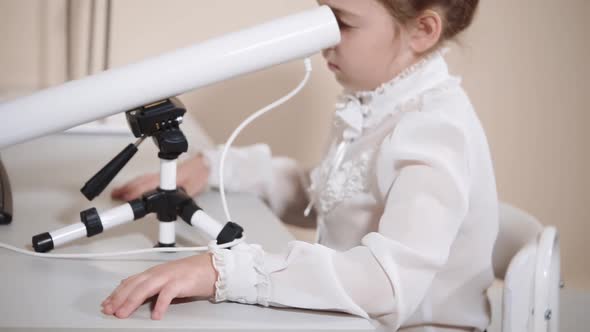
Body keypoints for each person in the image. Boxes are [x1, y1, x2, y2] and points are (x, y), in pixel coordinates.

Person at [102, 0, 498, 331]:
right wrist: (216, 166)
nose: (321, 37)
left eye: (340, 22)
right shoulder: (377, 104)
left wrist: (224, 271)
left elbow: (386, 284)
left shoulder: (436, 131)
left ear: (422, 31)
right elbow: (327, 195)